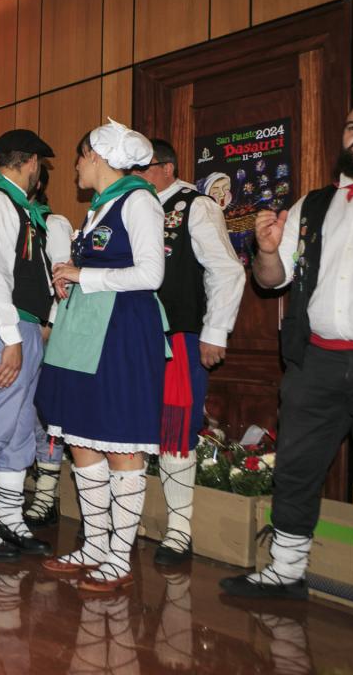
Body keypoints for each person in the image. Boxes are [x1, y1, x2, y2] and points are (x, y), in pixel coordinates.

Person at [220, 96, 353, 648]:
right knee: (296, 467)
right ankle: (286, 572)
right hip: (315, 362)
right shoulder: (313, 203)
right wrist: (265, 249)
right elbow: (272, 279)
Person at [36, 119, 166, 592]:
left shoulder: (139, 201)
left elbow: (151, 275)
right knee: (82, 438)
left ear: (95, 154)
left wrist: (84, 276)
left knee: (121, 442)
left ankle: (119, 555)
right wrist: (71, 275)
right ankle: (94, 545)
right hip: (84, 332)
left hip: (121, 333)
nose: (75, 167)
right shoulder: (100, 208)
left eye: (79, 157)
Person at [133, 139, 245, 565]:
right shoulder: (132, 207)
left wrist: (215, 331)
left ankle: (180, 531)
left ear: (166, 168)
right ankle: (128, 521)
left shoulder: (195, 206)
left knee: (176, 426)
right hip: (133, 334)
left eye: (142, 169)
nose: (134, 177)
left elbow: (225, 269)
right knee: (130, 424)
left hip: (179, 332)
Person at [0, 129, 57, 559]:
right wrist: (11, 338)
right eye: (41, 165)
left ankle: (10, 517)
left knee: (19, 428)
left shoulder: (19, 206)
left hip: (23, 325)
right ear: (31, 162)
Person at [25, 164, 73, 528]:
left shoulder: (52, 223)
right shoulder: (9, 217)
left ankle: (46, 494)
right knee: (20, 413)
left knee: (45, 414)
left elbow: (62, 277)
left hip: (45, 330)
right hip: (16, 328)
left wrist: (50, 323)